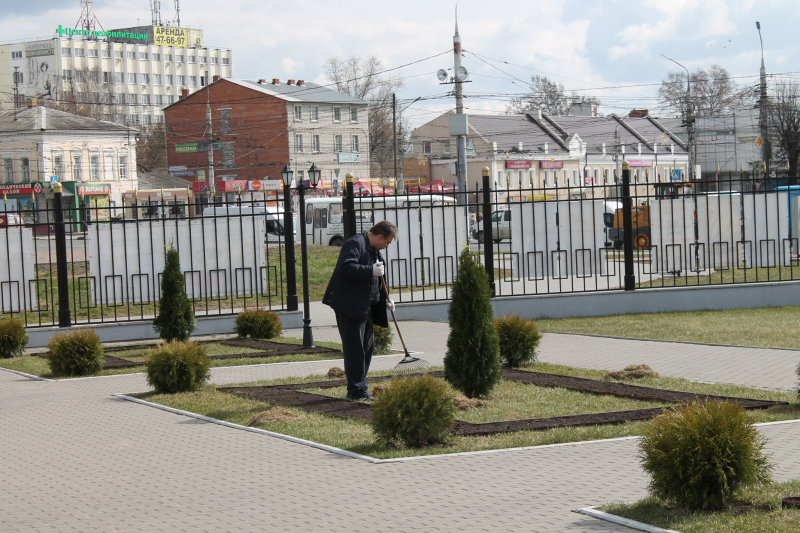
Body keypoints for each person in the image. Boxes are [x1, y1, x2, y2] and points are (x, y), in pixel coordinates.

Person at [322, 221, 397, 401]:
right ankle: (356, 391)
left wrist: (385, 299)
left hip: (366, 306)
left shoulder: (374, 250)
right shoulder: (355, 244)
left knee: (366, 348)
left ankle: (361, 387)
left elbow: (377, 278)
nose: (387, 246)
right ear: (380, 237)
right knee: (355, 349)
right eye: (387, 242)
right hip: (349, 306)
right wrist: (370, 270)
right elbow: (346, 267)